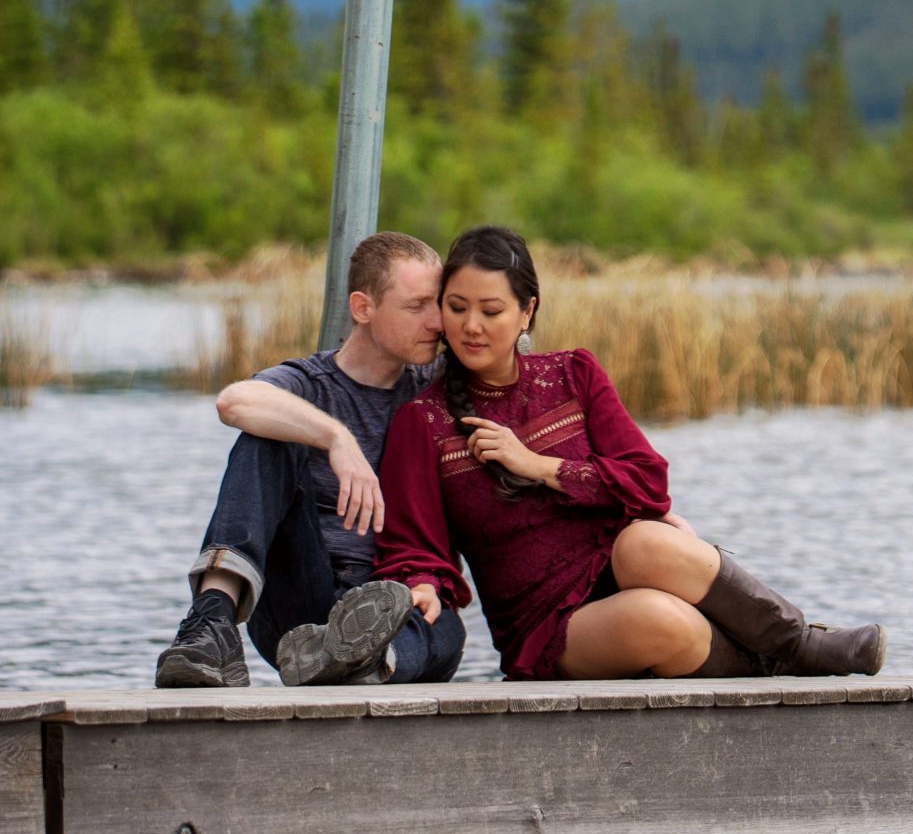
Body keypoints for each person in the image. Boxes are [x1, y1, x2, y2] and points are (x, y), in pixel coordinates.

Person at [374, 223, 886, 681]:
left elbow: (648, 481)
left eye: (491, 311)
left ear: (526, 311)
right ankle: (783, 660)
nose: (471, 327)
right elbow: (414, 545)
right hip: (548, 624)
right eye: (457, 308)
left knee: (646, 542)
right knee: (658, 619)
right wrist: (420, 584)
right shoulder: (424, 423)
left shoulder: (574, 375)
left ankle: (801, 643)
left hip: (619, 562)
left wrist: (539, 465)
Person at [154, 229, 467, 691]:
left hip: (391, 597)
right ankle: (210, 625)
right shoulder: (309, 382)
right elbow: (233, 402)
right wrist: (335, 438)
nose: (437, 322)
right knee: (267, 436)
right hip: (301, 600)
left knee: (445, 629)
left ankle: (363, 662)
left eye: (438, 304)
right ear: (363, 308)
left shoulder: (438, 387)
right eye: (416, 306)